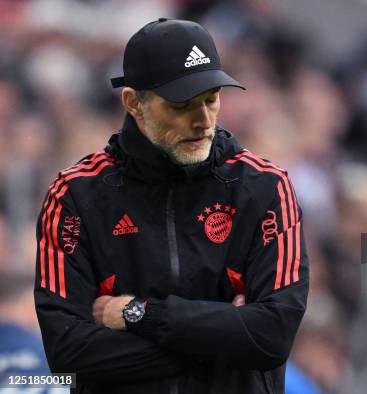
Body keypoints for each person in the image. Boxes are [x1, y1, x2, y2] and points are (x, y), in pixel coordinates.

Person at [34, 18, 308, 394]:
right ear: (133, 103)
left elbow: (273, 337)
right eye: (182, 105)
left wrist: (140, 314)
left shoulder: (266, 188)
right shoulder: (75, 195)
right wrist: (226, 332)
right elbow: (68, 351)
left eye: (211, 100)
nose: (203, 121)